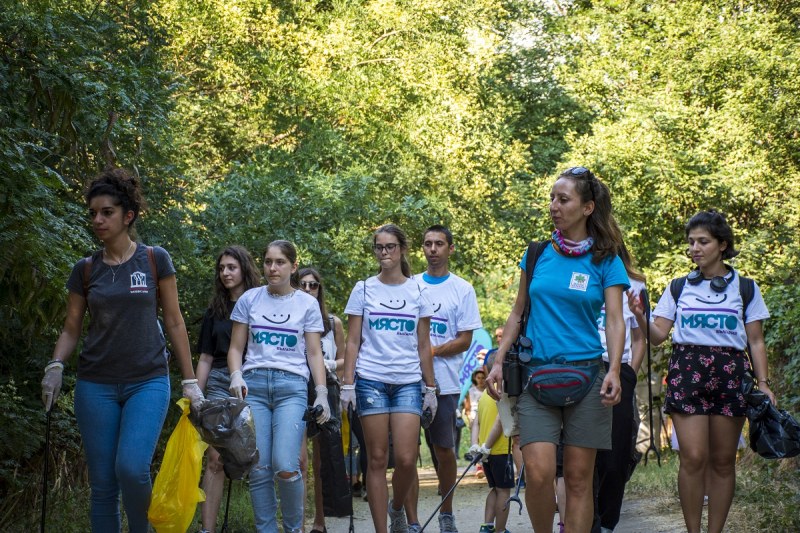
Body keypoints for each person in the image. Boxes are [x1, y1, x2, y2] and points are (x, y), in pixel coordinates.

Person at [40, 168, 204, 532]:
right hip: (95, 384)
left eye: (107, 212)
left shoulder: (153, 259)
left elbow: (175, 322)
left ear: (127, 216)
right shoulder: (85, 270)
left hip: (147, 380)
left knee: (131, 468)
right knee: (102, 485)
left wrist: (190, 380)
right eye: (93, 213)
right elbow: (71, 328)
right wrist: (55, 364)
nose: (97, 220)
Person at [485, 165, 629, 533]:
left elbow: (615, 320)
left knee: (579, 479)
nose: (553, 205)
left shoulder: (606, 260)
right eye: (552, 198)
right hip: (535, 376)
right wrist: (498, 361)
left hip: (588, 378)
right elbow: (517, 313)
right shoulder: (536, 255)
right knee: (537, 472)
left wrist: (613, 369)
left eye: (563, 199)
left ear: (587, 208)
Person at [629, 209, 776, 533]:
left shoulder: (745, 288)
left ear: (722, 245)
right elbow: (657, 336)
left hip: (731, 374)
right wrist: (640, 315)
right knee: (693, 457)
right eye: (691, 242)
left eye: (703, 242)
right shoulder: (679, 287)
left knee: (723, 461)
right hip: (687, 372)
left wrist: (763, 383)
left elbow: (756, 340)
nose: (695, 248)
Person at [226, 240, 331, 533]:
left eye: (280, 262)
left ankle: (294, 528)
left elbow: (313, 353)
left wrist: (321, 392)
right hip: (254, 386)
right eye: (268, 261)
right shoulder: (249, 299)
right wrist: (236, 374)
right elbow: (236, 348)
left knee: (286, 465)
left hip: (292, 388)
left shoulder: (307, 304)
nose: (273, 268)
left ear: (293, 266)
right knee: (258, 468)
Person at [340, 223, 437, 533]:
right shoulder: (364, 288)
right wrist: (347, 382)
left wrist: (431, 388)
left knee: (408, 459)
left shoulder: (419, 290)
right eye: (379, 247)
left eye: (390, 247)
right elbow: (352, 341)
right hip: (371, 379)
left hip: (408, 380)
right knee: (378, 458)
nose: (384, 252)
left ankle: (398, 508)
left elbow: (424, 344)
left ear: (402, 250)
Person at [403, 225, 482, 533]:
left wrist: (431, 351)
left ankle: (446, 513)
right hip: (408, 380)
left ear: (450, 248)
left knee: (444, 451)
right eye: (427, 244)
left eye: (438, 244)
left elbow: (464, 340)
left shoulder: (462, 289)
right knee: (407, 456)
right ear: (422, 249)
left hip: (445, 384)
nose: (432, 249)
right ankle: (411, 520)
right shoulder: (409, 286)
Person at [195, 245, 260, 533]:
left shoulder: (262, 303)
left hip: (256, 379)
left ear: (244, 269)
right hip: (220, 381)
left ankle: (266, 525)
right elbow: (206, 357)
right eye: (221, 268)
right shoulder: (215, 311)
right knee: (215, 457)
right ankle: (207, 529)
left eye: (231, 267)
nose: (225, 273)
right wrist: (196, 397)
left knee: (257, 456)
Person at [593, 244, 647, 533]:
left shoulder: (635, 285)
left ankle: (608, 521)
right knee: (585, 454)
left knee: (617, 455)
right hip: (584, 367)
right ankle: (585, 519)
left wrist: (628, 373)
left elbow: (640, 339)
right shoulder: (582, 276)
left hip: (618, 371)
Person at [297, 267, 346, 533]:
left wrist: (327, 363)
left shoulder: (332, 322)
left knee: (323, 459)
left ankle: (320, 520)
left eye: (313, 285)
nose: (308, 290)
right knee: (299, 459)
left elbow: (346, 360)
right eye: (302, 285)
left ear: (319, 289)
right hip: (296, 387)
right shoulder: (289, 319)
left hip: (327, 386)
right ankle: (299, 523)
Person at [470, 353, 513, 533]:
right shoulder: (504, 394)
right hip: (500, 450)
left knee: (494, 489)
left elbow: (476, 423)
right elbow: (501, 420)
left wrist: (475, 445)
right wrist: (487, 445)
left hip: (484, 453)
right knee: (504, 492)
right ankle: (501, 530)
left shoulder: (484, 396)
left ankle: (486, 526)